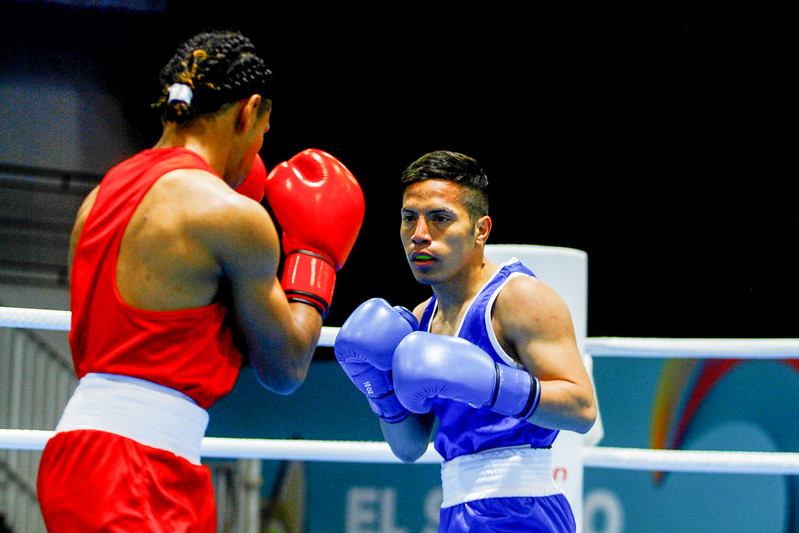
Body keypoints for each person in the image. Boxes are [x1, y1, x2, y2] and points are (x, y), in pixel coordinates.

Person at [36, 30, 364, 531]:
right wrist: (314, 255)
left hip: (100, 455)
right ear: (247, 111)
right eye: (264, 130)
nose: (258, 148)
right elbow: (285, 366)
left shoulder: (102, 194)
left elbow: (154, 328)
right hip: (133, 467)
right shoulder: (225, 214)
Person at [334, 150, 596, 532]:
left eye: (440, 218)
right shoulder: (421, 319)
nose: (420, 234)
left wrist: (491, 384)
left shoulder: (520, 298)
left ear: (481, 229)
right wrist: (377, 388)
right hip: (456, 508)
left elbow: (583, 408)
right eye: (409, 219)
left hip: (525, 510)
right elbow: (409, 447)